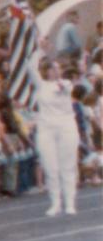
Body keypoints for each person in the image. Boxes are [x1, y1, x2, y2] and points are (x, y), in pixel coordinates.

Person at [34, 57, 81, 216]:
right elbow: (29, 67)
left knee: (67, 166)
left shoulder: (66, 84)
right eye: (53, 68)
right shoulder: (40, 85)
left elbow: (64, 88)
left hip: (66, 126)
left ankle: (70, 202)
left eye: (58, 68)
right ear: (46, 71)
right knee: (50, 167)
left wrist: (60, 80)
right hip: (46, 128)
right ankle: (55, 203)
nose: (56, 71)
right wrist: (38, 50)